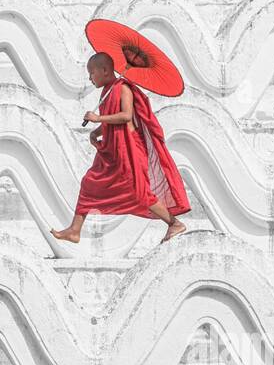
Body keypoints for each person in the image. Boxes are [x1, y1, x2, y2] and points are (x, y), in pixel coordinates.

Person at [50, 51, 190, 244]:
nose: (90, 78)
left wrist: (98, 118)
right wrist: (96, 132)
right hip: (112, 150)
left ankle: (174, 223)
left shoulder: (123, 88)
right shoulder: (106, 91)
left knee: (141, 193)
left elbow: (125, 116)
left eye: (92, 73)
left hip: (129, 149)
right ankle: (75, 230)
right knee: (89, 183)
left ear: (105, 70)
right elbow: (110, 121)